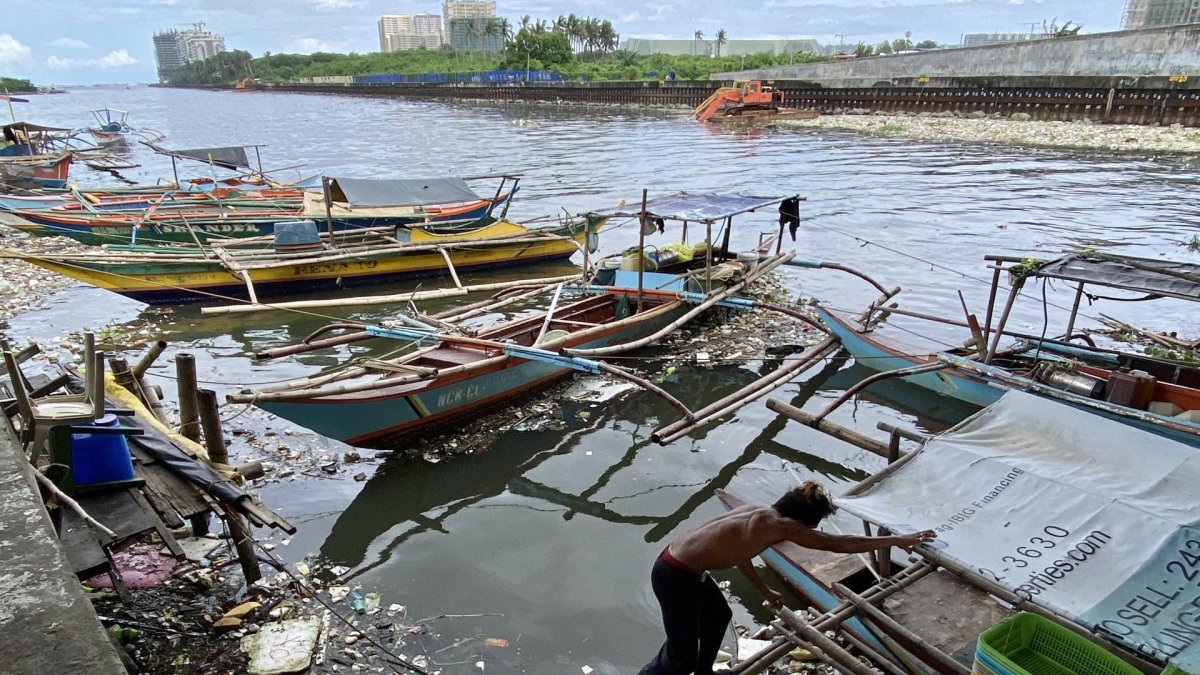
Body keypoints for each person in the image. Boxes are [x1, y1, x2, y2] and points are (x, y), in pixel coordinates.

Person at [638, 481, 936, 675]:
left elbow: (739, 554)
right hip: (675, 575)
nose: (811, 531)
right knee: (681, 656)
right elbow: (838, 543)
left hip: (684, 569)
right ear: (802, 520)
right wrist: (895, 541)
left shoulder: (758, 514)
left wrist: (764, 589)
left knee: (719, 616)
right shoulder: (781, 526)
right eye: (813, 525)